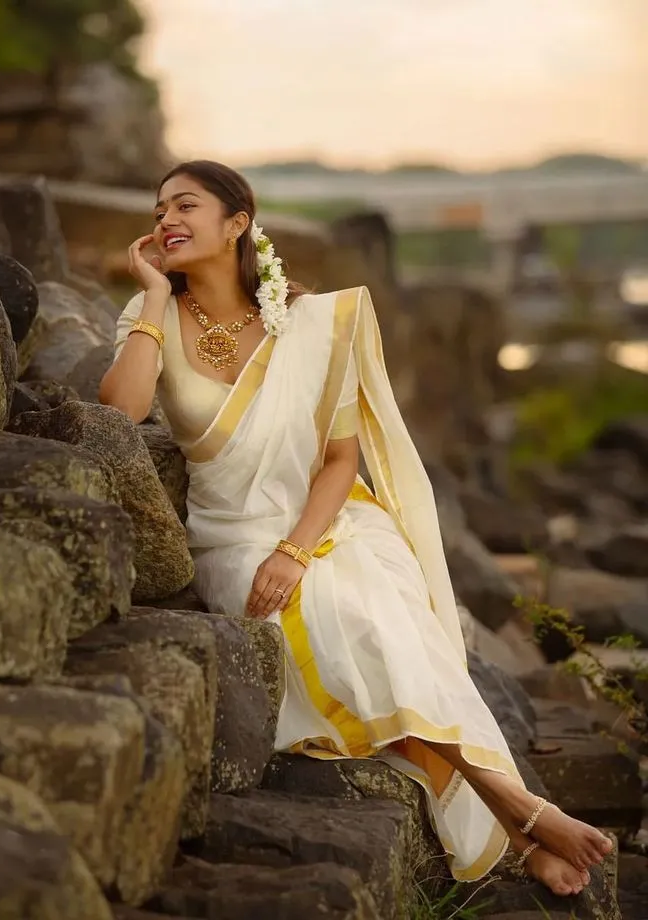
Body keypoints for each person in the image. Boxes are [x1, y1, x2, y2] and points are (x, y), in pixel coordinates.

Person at [99, 160, 612, 897]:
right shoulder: (151, 317)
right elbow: (118, 410)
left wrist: (297, 547)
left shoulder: (310, 321)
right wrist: (151, 297)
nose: (166, 220)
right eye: (159, 208)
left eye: (186, 205)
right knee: (350, 628)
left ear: (238, 223)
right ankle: (524, 814)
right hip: (232, 539)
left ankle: (518, 821)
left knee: (381, 621)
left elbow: (341, 460)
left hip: (330, 523)